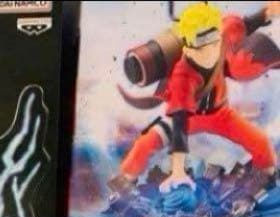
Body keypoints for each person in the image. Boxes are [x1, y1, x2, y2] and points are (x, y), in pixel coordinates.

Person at [114, 2, 280, 196]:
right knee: (144, 144)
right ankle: (124, 182)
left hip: (220, 115)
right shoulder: (182, 76)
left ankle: (267, 176)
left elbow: (246, 24)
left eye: (214, 42)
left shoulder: (223, 33)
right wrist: (178, 171)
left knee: (260, 142)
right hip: (189, 119)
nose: (211, 51)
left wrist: (269, 11)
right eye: (202, 47)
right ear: (189, 50)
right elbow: (179, 122)